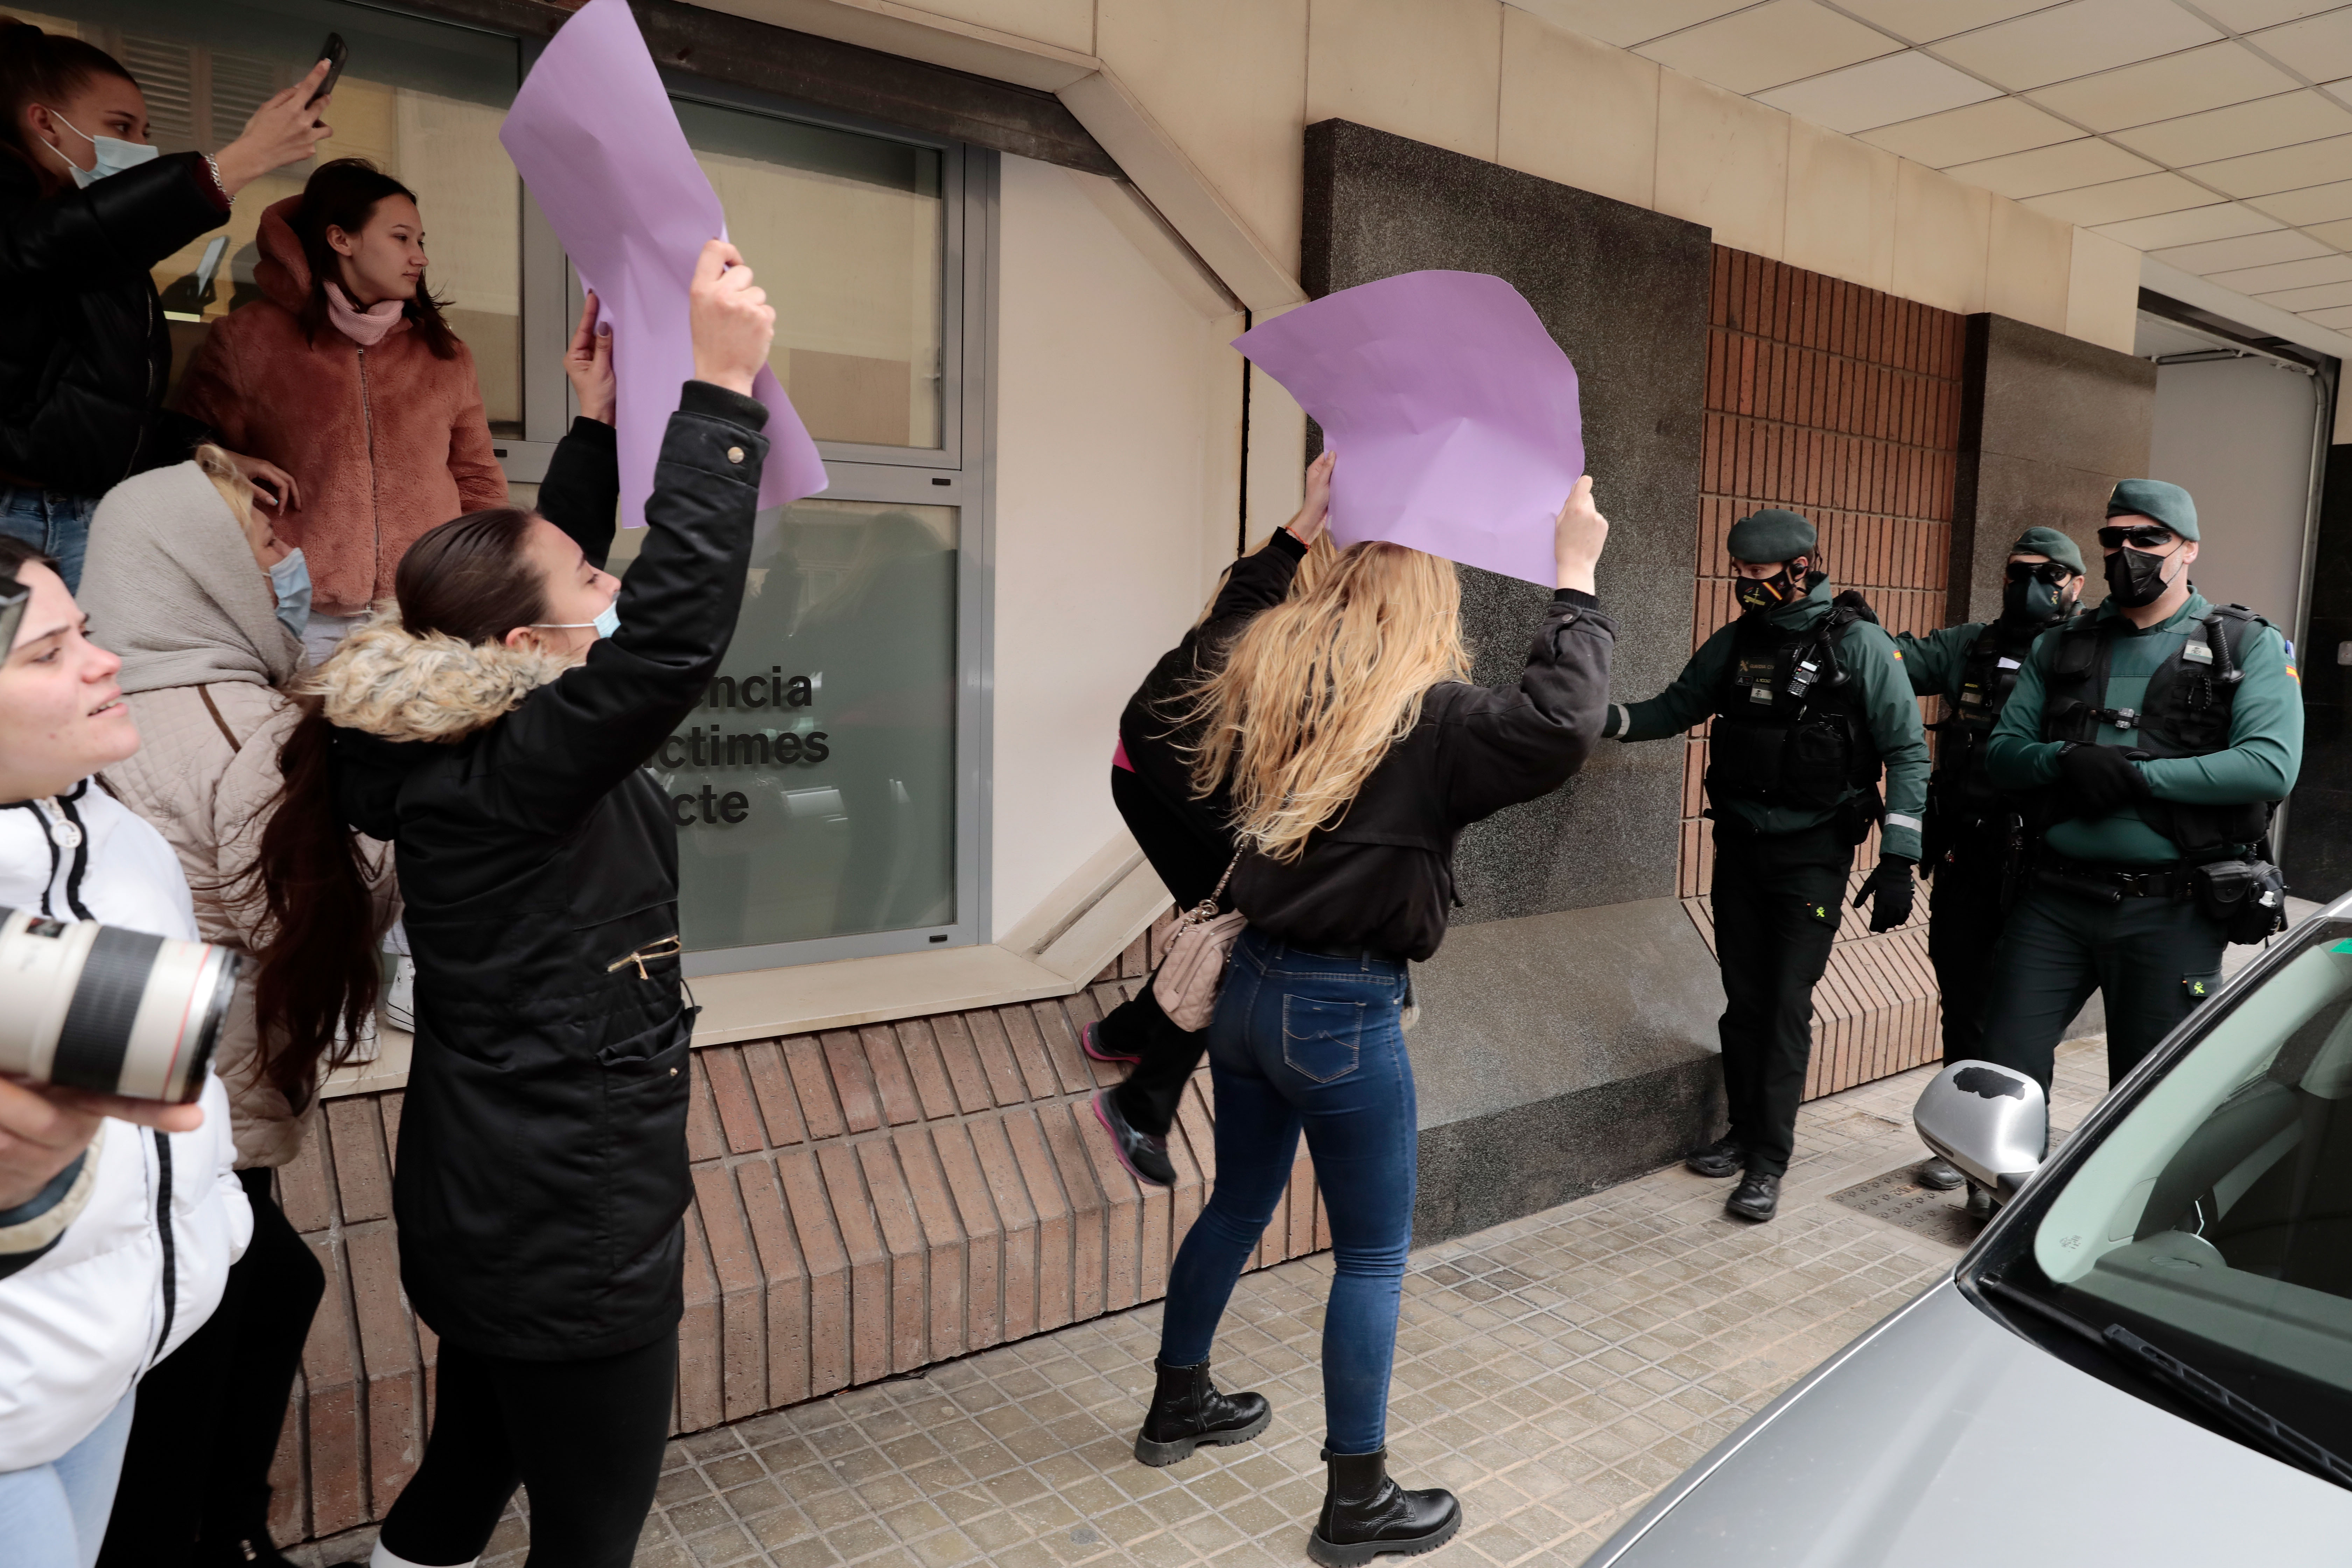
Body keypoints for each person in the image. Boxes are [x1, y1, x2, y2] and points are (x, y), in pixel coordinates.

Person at [247, 245, 764, 1568]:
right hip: (569, 1220)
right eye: (594, 583)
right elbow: (669, 642)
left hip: (491, 1199)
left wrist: (594, 426)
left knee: (467, 1470)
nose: (616, 585)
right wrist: (719, 392)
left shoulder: (440, 740)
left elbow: (553, 591)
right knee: (586, 1539)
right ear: (530, 654)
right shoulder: (519, 771)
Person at [1138, 475, 1614, 1568]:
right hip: (1341, 1012)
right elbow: (1562, 724)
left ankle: (1178, 1407)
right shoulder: (1433, 716)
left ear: (1337, 577)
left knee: (1236, 1207)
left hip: (1248, 992)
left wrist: (1297, 529)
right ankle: (1356, 1503)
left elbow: (1202, 653)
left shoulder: (1267, 675)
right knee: (1371, 1260)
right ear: (1427, 602)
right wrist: (1576, 576)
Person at [75, 439, 416, 1567]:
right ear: (199, 565)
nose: (291, 559)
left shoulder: (96, 714)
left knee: (247, 1295)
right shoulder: (246, 727)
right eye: (262, 540)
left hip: (122, 1087)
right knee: (228, 1312)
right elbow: (301, 922)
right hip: (209, 1092)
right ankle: (217, 1539)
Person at [0, 534, 251, 1567]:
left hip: (113, 1359)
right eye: (46, 653)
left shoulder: (120, 833)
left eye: (88, 635)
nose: (103, 663)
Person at [1603, 509, 1929, 1223]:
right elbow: (1675, 706)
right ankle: (1742, 1131)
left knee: (1785, 1004)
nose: (1747, 586)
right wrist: (1598, 718)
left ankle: (1769, 1161)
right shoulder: (1737, 644)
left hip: (1813, 853)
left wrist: (1901, 855)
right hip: (1741, 848)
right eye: (1740, 573)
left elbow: (1907, 750)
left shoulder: (1861, 646)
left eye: (1760, 574)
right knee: (1745, 999)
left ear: (1803, 565)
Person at [1979, 479, 2302, 1104]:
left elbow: (2269, 766)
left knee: (2148, 1097)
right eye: (2113, 538)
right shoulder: (2060, 642)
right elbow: (2004, 755)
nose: (2127, 551)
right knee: (2001, 1076)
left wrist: (2137, 773)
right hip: (2053, 900)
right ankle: (2003, 1200)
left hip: (2172, 909)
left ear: (2189, 549)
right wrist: (2067, 757)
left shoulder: (2245, 645)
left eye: (2148, 538)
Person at [0, 21, 326, 590]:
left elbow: (94, 404)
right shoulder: (39, 232)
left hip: (89, 516)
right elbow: (47, 243)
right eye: (120, 127)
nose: (140, 147)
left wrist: (203, 451)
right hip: (15, 516)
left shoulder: (97, 254)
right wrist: (235, 164)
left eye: (145, 131)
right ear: (44, 122)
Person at [1087, 451, 1335, 1186]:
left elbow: (1258, 572)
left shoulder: (1260, 601)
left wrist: (1307, 515)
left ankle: (1128, 1032)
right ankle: (1141, 1102)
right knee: (1237, 931)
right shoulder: (1279, 641)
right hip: (1163, 785)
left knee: (1219, 917)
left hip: (1153, 775)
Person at [175, 156, 507, 665]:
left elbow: (478, 480)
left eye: (421, 243)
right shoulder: (248, 341)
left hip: (419, 613)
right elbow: (195, 465)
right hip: (298, 612)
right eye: (401, 239)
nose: (419, 257)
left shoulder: (445, 354)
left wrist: (475, 583)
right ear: (341, 239)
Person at [1893, 527, 2084, 1192]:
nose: (2031, 585)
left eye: (2051, 574)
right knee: (1965, 1000)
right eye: (2018, 571)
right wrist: (1848, 631)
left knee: (2022, 1016)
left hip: (2045, 868)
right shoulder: (1969, 646)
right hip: (1967, 854)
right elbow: (1892, 665)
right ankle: (1964, 1145)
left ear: (2078, 585)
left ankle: (2018, 1149)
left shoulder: (2086, 650)